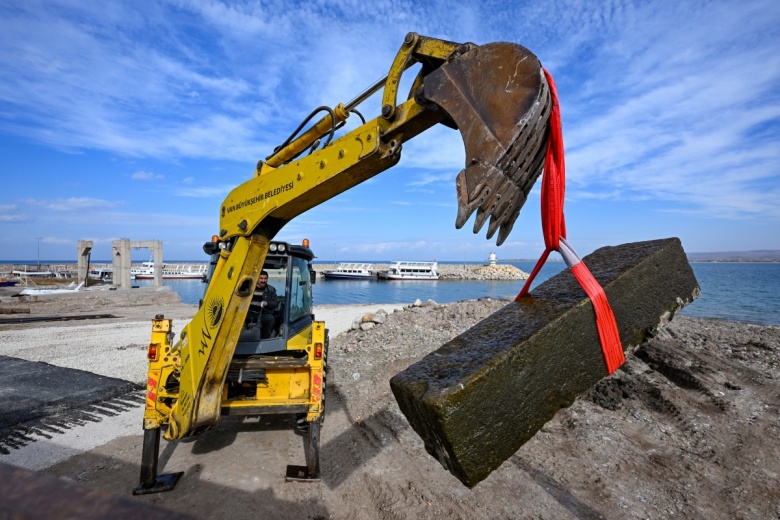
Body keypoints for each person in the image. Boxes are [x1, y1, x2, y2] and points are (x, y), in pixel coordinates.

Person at [247, 270, 279, 339]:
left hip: (262, 314)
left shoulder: (271, 290)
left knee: (271, 319)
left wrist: (267, 303)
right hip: (248, 313)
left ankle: (264, 339)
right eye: (261, 278)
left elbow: (275, 303)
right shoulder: (249, 288)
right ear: (257, 278)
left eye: (265, 279)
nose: (263, 281)